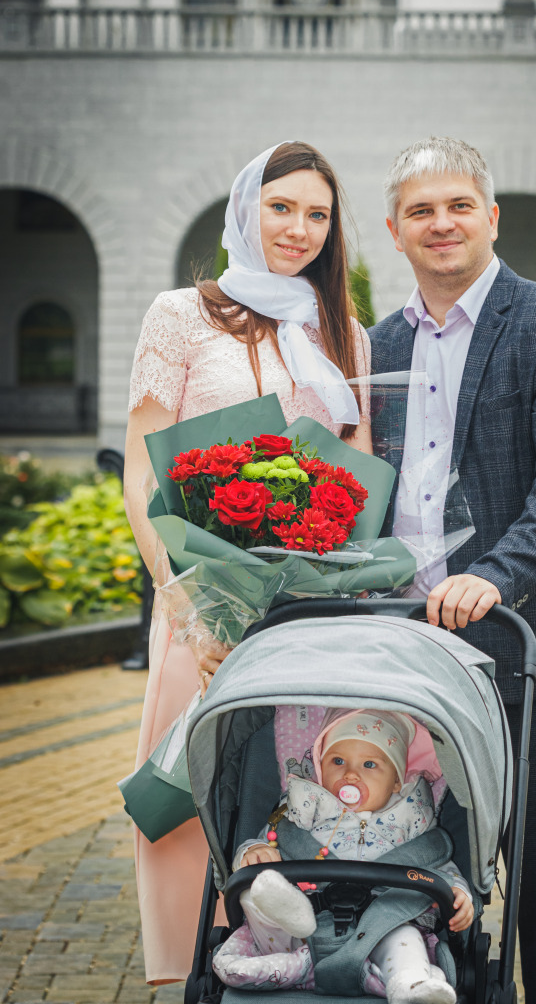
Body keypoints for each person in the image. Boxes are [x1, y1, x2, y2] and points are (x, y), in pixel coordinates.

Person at [368, 136, 536, 1004]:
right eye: (420, 211)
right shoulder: (373, 348)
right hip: (410, 660)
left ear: (491, 215)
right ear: (394, 231)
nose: (440, 224)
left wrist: (496, 572)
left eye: (456, 206)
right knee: (419, 891)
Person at [124, 141, 372, 984]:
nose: (298, 229)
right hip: (203, 607)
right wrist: (187, 605)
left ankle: (294, 973)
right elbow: (141, 467)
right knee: (192, 790)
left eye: (316, 215)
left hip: (306, 614)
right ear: (244, 209)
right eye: (281, 207)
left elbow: (356, 478)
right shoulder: (180, 315)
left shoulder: (345, 333)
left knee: (296, 792)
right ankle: (196, 975)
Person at [213, 709, 473, 1003]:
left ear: (397, 782)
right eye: (338, 761)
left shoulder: (413, 828)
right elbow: (265, 843)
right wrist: (254, 852)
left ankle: (409, 984)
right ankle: (289, 916)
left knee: (405, 938)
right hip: (301, 931)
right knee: (259, 890)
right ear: (321, 767)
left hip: (382, 926)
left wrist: (458, 893)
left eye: (370, 764)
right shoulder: (300, 815)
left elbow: (440, 867)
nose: (350, 774)